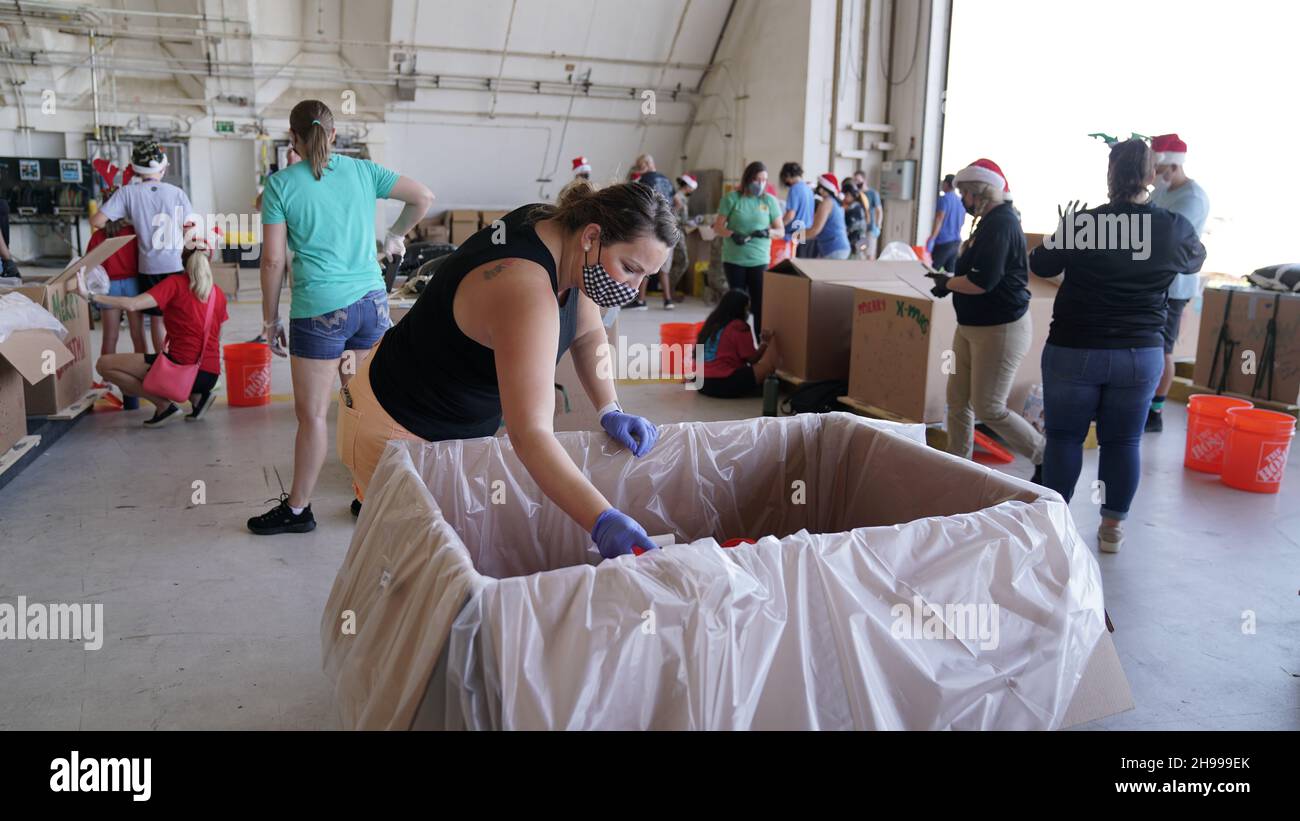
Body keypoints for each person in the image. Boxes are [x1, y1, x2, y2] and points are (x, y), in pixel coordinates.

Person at [342, 182, 676, 559]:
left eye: (646, 276)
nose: (633, 289)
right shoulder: (525, 290)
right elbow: (531, 434)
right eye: (630, 269)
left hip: (444, 421)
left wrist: (608, 406)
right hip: (398, 426)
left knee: (446, 558)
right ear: (593, 236)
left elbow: (587, 331)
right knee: (418, 571)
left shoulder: (561, 232)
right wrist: (602, 519)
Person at [247, 99, 435, 536]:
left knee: (313, 417)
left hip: (319, 311)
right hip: (371, 304)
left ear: (292, 138)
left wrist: (270, 319)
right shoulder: (363, 171)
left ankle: (298, 511)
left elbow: (273, 262)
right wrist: (394, 235)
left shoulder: (280, 186)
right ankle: (372, 494)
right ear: (333, 135)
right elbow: (423, 197)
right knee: (369, 405)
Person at [1028, 139, 1205, 552]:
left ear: (1110, 175)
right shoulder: (1171, 226)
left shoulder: (1084, 223)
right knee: (1123, 441)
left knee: (1065, 439)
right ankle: (1111, 530)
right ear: (1151, 176)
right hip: (1139, 352)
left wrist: (1065, 233)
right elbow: (1194, 260)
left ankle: (1056, 525)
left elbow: (1040, 264)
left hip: (1075, 347)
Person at [926, 159, 1045, 476]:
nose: (962, 200)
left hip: (1000, 329)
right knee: (957, 400)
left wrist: (947, 283)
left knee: (988, 406)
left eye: (965, 193)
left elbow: (983, 281)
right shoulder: (984, 223)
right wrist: (949, 281)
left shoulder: (1002, 223)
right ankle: (958, 464)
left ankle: (1043, 454)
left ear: (980, 192)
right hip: (970, 326)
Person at [80, 224, 229, 426]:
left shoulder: (175, 284)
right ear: (208, 261)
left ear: (182, 258)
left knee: (104, 365)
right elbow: (218, 335)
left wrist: (90, 295)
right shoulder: (217, 293)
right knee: (162, 360)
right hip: (210, 375)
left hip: (180, 369)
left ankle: (163, 406)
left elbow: (132, 304)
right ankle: (196, 398)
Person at [91, 140, 191, 355]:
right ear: (163, 168)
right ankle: (179, 362)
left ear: (135, 169)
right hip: (174, 265)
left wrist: (129, 221)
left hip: (149, 268)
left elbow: (97, 221)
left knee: (157, 319)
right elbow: (190, 229)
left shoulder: (127, 193)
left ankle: (161, 364)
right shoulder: (177, 193)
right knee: (177, 318)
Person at [1145, 133, 1210, 433]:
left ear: (1174, 166)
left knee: (1163, 349)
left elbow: (1166, 237)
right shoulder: (1161, 190)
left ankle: (1155, 411)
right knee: (1149, 345)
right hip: (1153, 282)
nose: (1156, 177)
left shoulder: (1192, 197)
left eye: (1160, 171)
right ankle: (1144, 402)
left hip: (1175, 287)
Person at [711, 161, 783, 342]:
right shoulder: (732, 199)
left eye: (764, 180)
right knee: (737, 304)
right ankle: (737, 344)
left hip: (759, 260)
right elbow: (718, 227)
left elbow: (781, 231)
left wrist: (768, 232)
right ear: (748, 179)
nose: (760, 184)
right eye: (757, 179)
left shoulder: (769, 201)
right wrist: (732, 234)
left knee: (760, 305)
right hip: (734, 259)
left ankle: (760, 345)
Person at [85, 218, 146, 408]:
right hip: (133, 284)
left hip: (109, 286)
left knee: (110, 337)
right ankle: (143, 373)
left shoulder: (98, 236)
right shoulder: (133, 231)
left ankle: (107, 380)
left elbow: (90, 261)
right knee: (138, 334)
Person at [697, 290, 779, 398]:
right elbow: (752, 359)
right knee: (767, 367)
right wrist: (765, 342)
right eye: (747, 308)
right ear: (741, 308)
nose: (748, 312)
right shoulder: (739, 326)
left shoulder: (711, 324)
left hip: (701, 383)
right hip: (723, 381)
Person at [629, 154, 677, 310]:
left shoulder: (645, 180)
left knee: (646, 265)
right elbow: (677, 202)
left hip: (652, 226)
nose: (638, 169)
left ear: (646, 164)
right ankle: (668, 300)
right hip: (668, 225)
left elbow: (641, 204)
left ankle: (641, 300)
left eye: (639, 166)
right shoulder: (666, 180)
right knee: (664, 267)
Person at [804, 174, 851, 260]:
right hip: (839, 247)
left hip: (834, 248)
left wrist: (796, 235)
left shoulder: (827, 203)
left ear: (822, 189)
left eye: (819, 185)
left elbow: (815, 230)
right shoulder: (836, 203)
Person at [926, 174, 966, 272]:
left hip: (943, 242)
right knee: (950, 273)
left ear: (946, 184)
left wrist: (932, 238)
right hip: (956, 242)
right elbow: (962, 221)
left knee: (931, 271)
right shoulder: (960, 201)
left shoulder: (944, 199)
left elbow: (939, 219)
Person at [779, 162, 815, 257]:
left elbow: (790, 215)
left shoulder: (794, 189)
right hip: (808, 233)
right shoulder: (808, 189)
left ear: (788, 176)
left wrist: (778, 225)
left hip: (797, 235)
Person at [852, 170, 883, 259]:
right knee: (861, 253)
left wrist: (878, 225)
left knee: (870, 254)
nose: (856, 182)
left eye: (858, 180)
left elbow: (879, 210)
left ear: (864, 180)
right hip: (860, 230)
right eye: (854, 180)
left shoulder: (873, 193)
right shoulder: (856, 194)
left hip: (870, 229)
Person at [841, 179, 868, 259]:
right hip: (861, 241)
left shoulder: (854, 208)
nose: (844, 198)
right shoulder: (858, 206)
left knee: (854, 264)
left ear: (850, 194)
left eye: (845, 195)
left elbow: (849, 227)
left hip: (856, 242)